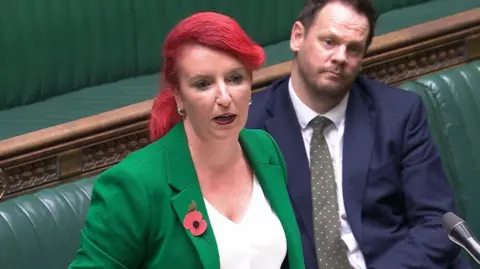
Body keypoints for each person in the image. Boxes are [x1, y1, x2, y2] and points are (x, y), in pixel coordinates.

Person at [68, 12, 306, 269]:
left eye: (235, 78)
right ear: (179, 97)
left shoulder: (265, 150)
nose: (224, 97)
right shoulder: (133, 186)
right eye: (203, 84)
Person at [246, 1, 470, 269]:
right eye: (329, 42)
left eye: (353, 49)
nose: (341, 57)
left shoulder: (398, 113)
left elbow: (436, 222)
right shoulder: (250, 128)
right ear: (297, 37)